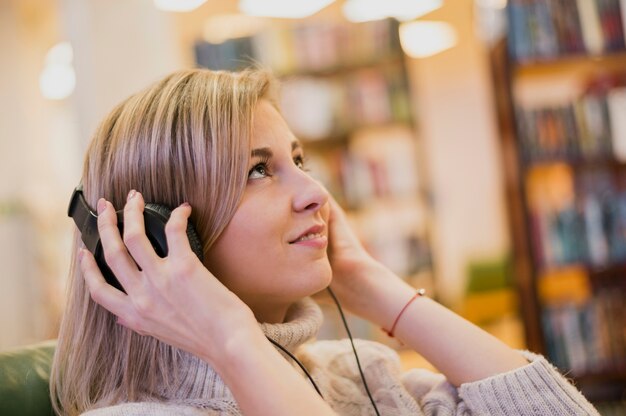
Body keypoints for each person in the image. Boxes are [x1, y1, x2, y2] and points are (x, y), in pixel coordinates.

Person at [50, 68, 599, 416]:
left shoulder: (361, 376)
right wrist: (233, 341)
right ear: (157, 240)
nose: (316, 193)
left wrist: (369, 281)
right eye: (259, 171)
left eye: (299, 161)